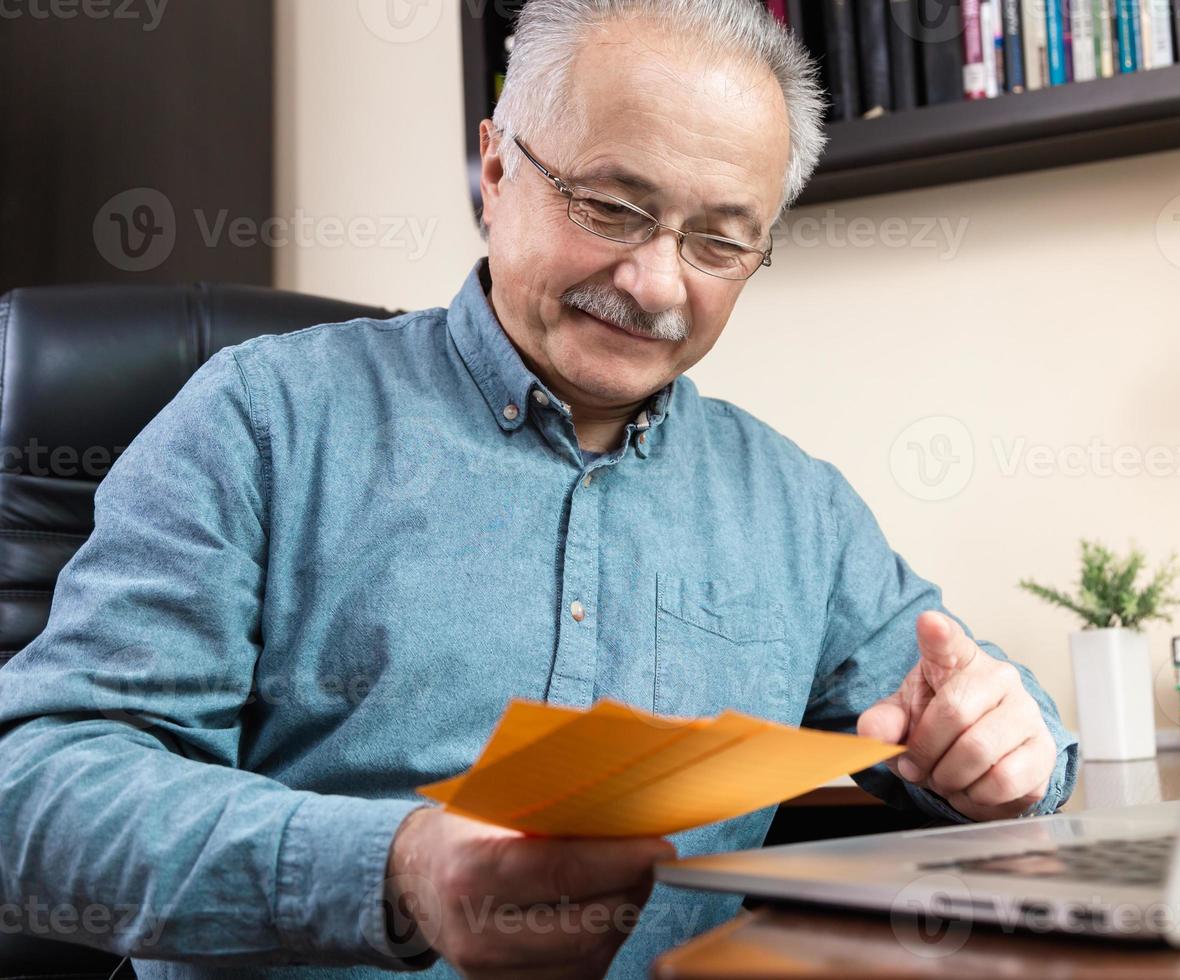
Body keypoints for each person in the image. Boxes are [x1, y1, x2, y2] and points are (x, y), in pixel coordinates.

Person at [0, 0, 1078, 976]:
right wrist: (398, 868)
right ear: (497, 168)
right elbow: (37, 791)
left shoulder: (798, 508)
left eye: (718, 240)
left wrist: (1005, 743)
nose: (656, 281)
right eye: (612, 206)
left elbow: (983, 710)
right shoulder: (259, 418)